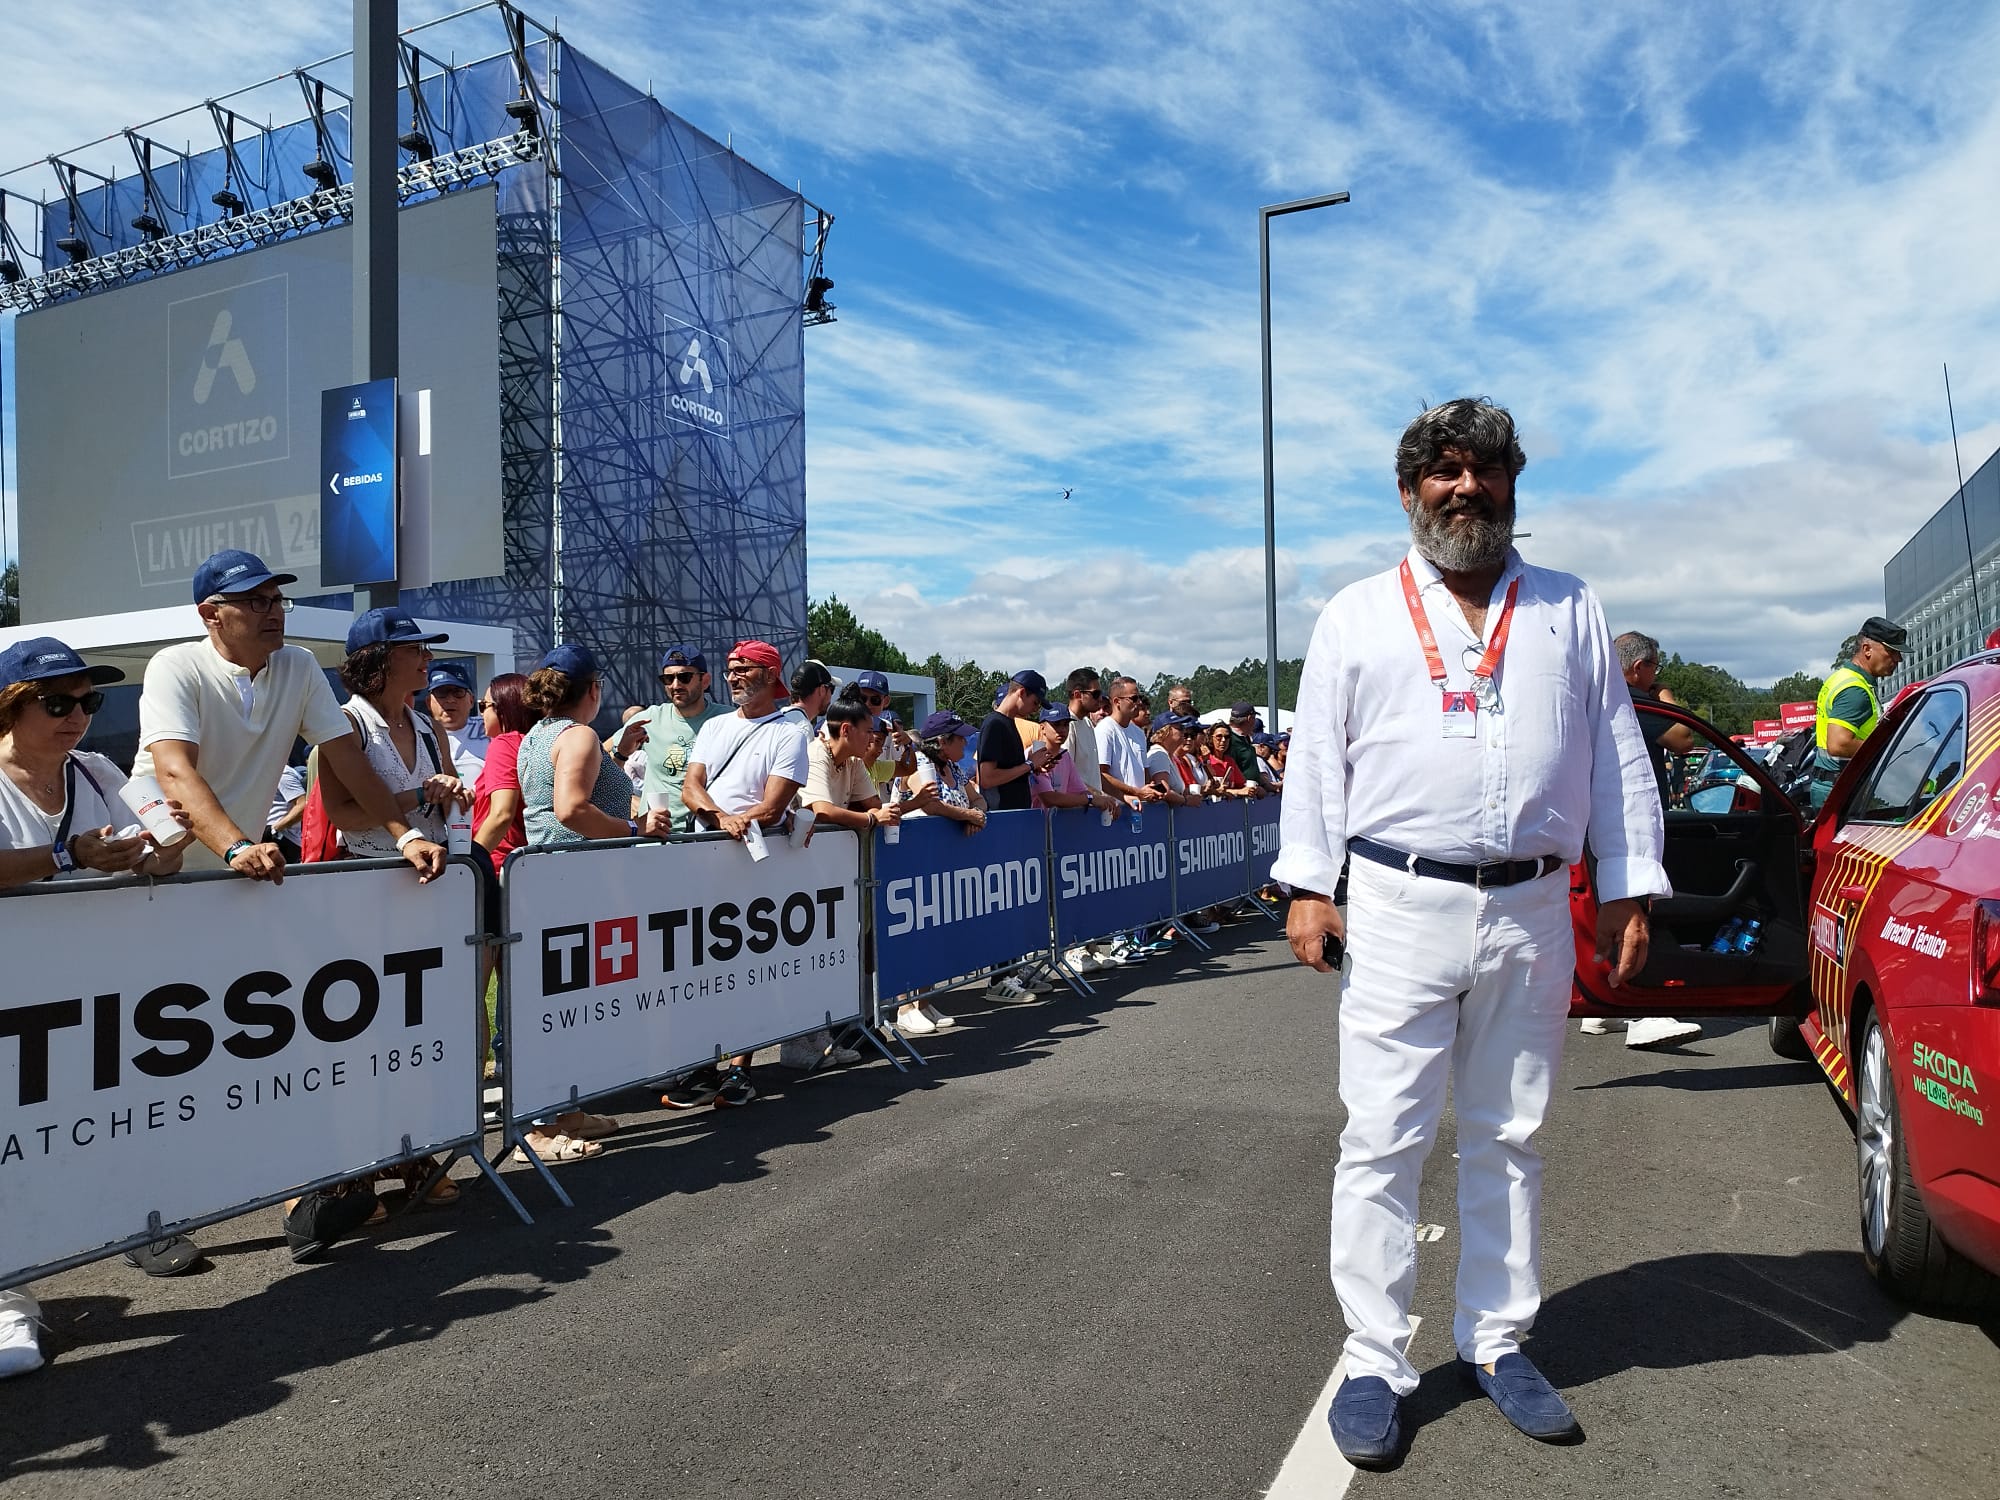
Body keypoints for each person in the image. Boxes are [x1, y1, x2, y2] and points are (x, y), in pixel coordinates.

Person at [1277, 397, 1668, 1464]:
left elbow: (1612, 751)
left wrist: (1628, 882)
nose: (1463, 489)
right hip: (1397, 900)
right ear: (1409, 494)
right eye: (1441, 473)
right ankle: (1372, 1355)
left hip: (1532, 905)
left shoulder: (1566, 606)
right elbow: (1317, 755)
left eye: (1482, 471)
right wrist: (1308, 885)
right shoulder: (1356, 614)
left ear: (1510, 487)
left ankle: (1495, 1340)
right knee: (1382, 1135)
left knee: (1509, 1131)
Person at [0, 638, 198, 1279]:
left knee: (107, 1116)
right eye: (57, 701)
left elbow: (149, 861)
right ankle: (13, 1290)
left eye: (89, 700)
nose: (77, 714)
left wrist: (171, 841)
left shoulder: (98, 771)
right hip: (14, 992)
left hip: (92, 986)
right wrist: (68, 856)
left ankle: (132, 1225)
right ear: (11, 707)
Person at [134, 549, 445, 886]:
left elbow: (348, 760)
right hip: (150, 872)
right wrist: (236, 847)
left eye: (277, 600)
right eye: (256, 602)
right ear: (211, 614)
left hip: (239, 871)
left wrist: (406, 838)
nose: (274, 613)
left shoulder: (299, 664)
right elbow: (174, 770)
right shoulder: (175, 665)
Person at [315, 608, 471, 1209]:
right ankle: (355, 1166)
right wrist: (414, 797)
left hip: (428, 884)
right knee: (365, 1031)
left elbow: (451, 788)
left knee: (419, 1024)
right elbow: (341, 814)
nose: (426, 658)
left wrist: (452, 791)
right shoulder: (346, 724)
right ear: (378, 664)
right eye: (415, 650)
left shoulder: (427, 726)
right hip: (369, 886)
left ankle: (412, 1149)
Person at [516, 643, 674, 1158]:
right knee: (559, 1006)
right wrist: (633, 827)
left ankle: (568, 1111)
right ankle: (537, 1128)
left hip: (554, 879)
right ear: (594, 689)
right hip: (572, 881)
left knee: (569, 1003)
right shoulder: (580, 735)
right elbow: (571, 809)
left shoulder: (538, 735)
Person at [671, 640, 813, 1109]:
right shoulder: (713, 725)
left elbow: (773, 806)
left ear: (771, 676)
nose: (733, 676)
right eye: (730, 669)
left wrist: (740, 821)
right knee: (700, 965)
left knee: (748, 964)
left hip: (752, 863)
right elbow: (691, 785)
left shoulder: (791, 731)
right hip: (704, 851)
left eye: (744, 669)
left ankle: (740, 1070)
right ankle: (702, 1063)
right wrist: (717, 817)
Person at [1582, 632, 1701, 1049]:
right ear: (1639, 668)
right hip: (1625, 824)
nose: (1657, 677)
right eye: (1655, 669)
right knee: (1636, 909)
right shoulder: (1634, 699)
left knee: (1607, 911)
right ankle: (1645, 1008)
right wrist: (1663, 694)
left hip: (1592, 825)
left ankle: (1605, 1008)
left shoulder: (1596, 696)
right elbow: (1686, 739)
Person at [790, 699, 910, 1058]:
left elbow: (872, 802)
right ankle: (798, 1041)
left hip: (831, 872)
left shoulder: (854, 762)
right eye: (868, 731)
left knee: (841, 948)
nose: (874, 738)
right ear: (846, 730)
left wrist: (877, 813)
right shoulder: (815, 755)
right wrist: (873, 820)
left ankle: (834, 1030)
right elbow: (822, 810)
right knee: (807, 954)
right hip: (799, 870)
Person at [1808, 616, 1907, 808]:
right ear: (1867, 649)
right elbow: (1838, 744)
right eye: (1892, 651)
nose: (1898, 659)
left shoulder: (1841, 678)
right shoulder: (1855, 690)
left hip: (1831, 785)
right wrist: (1888, 751)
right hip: (1842, 790)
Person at [976, 671, 1050, 813]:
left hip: (1013, 815)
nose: (1035, 709)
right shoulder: (995, 724)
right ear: (1022, 693)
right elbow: (987, 778)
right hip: (1002, 817)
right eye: (1035, 702)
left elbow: (1008, 771)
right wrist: (1029, 765)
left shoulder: (1009, 723)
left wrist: (1033, 766)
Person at [426, 660, 487, 786]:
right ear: (428, 703)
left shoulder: (487, 730)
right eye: (441, 693)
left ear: (471, 700)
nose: (450, 699)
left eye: (458, 692)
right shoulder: (418, 734)